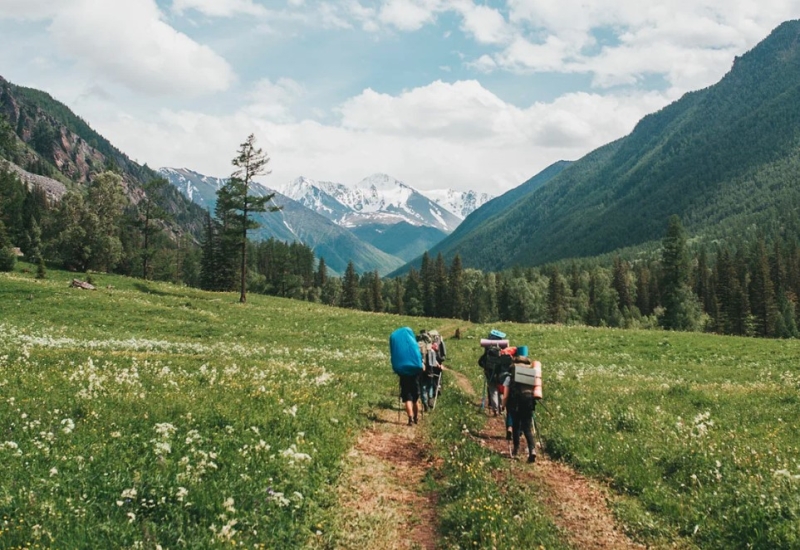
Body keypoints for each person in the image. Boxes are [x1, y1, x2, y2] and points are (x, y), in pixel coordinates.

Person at [502, 354, 537, 463]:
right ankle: (532, 450)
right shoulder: (531, 375)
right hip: (528, 402)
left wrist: (503, 405)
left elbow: (506, 395)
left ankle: (516, 449)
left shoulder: (509, 376)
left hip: (515, 403)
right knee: (527, 428)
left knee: (516, 426)